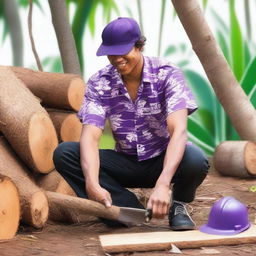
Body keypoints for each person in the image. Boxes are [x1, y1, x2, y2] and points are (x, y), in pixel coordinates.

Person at [53, 17, 209, 230]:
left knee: (195, 159)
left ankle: (178, 205)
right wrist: (91, 182)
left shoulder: (167, 74)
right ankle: (126, 209)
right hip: (125, 161)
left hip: (162, 160)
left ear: (139, 46)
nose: (117, 59)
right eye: (111, 53)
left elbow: (179, 131)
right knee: (65, 153)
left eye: (122, 51)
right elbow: (90, 136)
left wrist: (163, 185)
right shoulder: (99, 82)